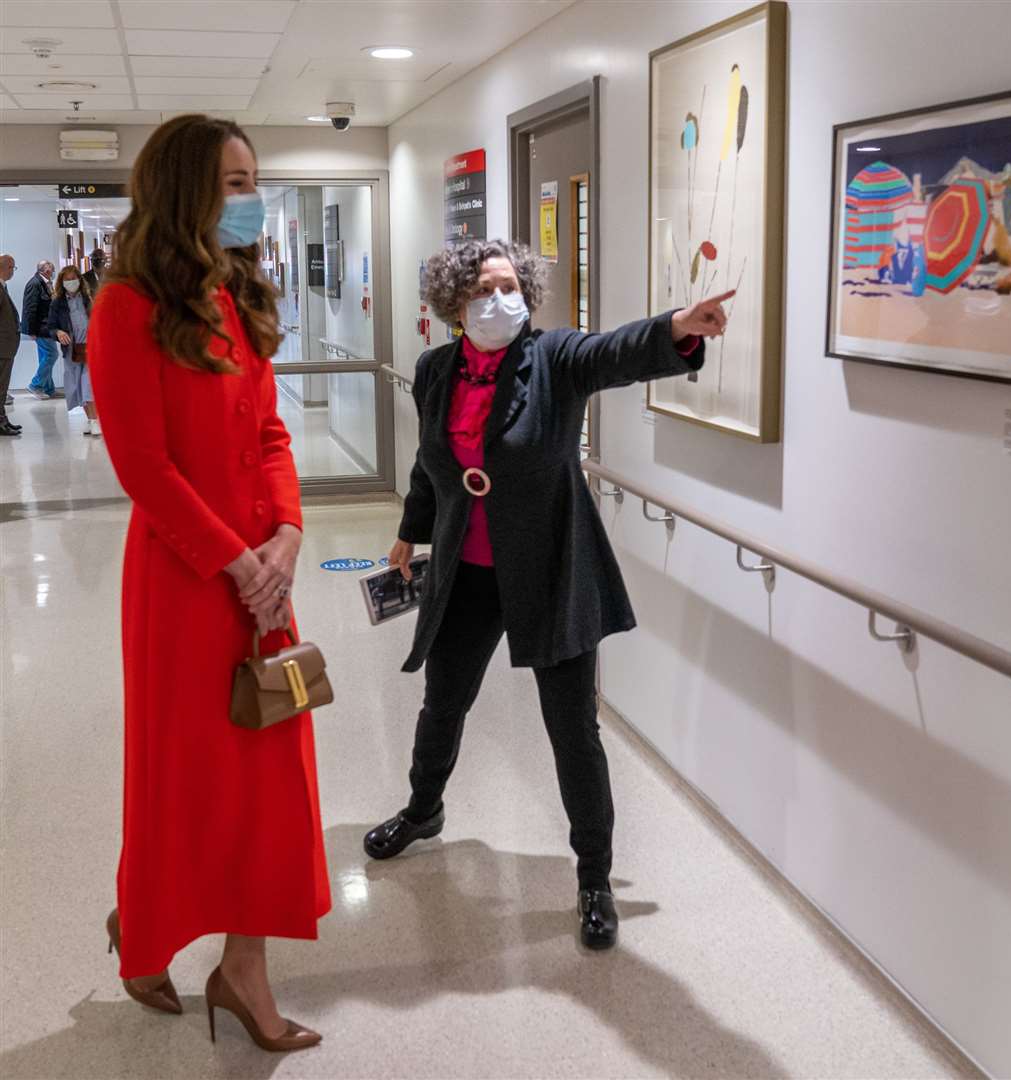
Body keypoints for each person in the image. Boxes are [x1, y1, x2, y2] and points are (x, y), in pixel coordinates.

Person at [364, 236, 732, 951]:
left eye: (509, 287)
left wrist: (676, 328)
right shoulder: (436, 368)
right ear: (451, 306)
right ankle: (422, 809)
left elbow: (613, 352)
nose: (498, 301)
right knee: (443, 704)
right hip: (465, 571)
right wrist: (411, 530)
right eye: (480, 291)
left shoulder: (554, 359)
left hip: (551, 570)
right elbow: (430, 462)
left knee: (572, 730)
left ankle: (593, 875)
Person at [88, 114, 328, 1053]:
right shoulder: (125, 307)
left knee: (270, 777)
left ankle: (242, 966)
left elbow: (268, 435)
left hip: (263, 579)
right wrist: (236, 561)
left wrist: (290, 537)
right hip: (188, 585)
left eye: (252, 181)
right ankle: (143, 922)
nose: (249, 199)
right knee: (186, 775)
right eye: (233, 183)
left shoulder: (240, 298)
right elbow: (144, 466)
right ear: (185, 190)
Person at [46, 266, 99, 436]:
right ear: (62, 282)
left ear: (79, 279)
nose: (71, 282)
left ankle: (94, 421)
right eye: (67, 279)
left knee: (87, 383)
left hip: (89, 347)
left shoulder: (87, 298)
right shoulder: (57, 303)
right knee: (77, 386)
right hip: (71, 350)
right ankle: (91, 420)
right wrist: (59, 332)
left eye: (73, 278)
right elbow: (51, 327)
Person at [22, 260, 58, 399]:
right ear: (46, 270)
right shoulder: (35, 284)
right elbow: (30, 309)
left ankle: (48, 388)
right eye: (52, 269)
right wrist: (32, 331)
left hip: (48, 326)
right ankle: (35, 385)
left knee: (45, 356)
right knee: (51, 355)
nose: (53, 272)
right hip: (40, 328)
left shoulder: (47, 284)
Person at [0, 254, 19, 436]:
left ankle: (3, 420)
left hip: (6, 347)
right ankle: (1, 423)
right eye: (12, 268)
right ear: (5, 268)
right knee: (1, 386)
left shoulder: (3, 287)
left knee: (3, 387)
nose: (13, 271)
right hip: (2, 347)